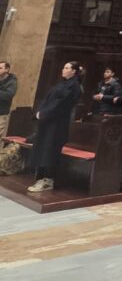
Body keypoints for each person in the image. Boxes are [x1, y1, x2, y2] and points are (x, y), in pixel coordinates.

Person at [27, 62, 83, 193]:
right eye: (64, 67)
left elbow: (61, 104)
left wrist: (44, 113)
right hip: (47, 121)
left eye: (67, 68)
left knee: (50, 150)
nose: (63, 69)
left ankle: (48, 180)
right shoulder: (61, 84)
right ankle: (40, 178)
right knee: (43, 148)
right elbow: (46, 99)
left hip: (57, 123)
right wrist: (39, 111)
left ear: (74, 71)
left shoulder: (74, 86)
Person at [0, 60, 18, 139]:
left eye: (0, 68)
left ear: (7, 69)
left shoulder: (12, 82)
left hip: (1, 113)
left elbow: (9, 95)